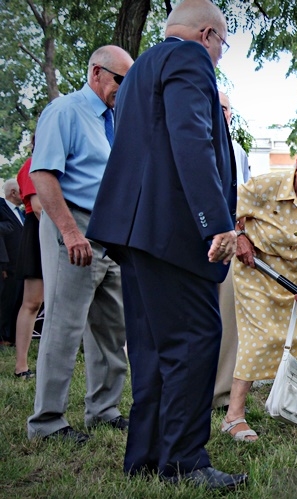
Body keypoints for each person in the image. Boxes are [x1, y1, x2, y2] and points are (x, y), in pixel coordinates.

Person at [86, 1, 246, 489]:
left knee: (154, 349)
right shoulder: (190, 59)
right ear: (207, 34)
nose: (220, 56)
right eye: (223, 44)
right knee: (196, 341)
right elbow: (190, 138)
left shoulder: (137, 72)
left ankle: (147, 457)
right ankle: (185, 462)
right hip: (173, 231)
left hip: (136, 233)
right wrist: (215, 222)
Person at [27, 45, 133, 445]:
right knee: (63, 326)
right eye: (121, 81)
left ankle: (103, 411)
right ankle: (47, 422)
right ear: (96, 74)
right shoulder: (65, 111)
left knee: (111, 328)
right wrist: (70, 232)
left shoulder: (118, 119)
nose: (124, 89)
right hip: (74, 226)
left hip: (112, 235)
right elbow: (44, 175)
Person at [222, 132, 297, 442]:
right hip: (256, 271)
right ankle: (234, 416)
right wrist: (241, 237)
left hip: (294, 278)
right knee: (259, 338)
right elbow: (230, 211)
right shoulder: (266, 186)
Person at [212, 91, 251, 411]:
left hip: (227, 242)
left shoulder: (237, 151)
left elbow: (244, 200)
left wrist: (242, 236)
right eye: (222, 109)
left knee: (228, 318)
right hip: (191, 242)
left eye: (230, 112)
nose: (226, 116)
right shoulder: (187, 139)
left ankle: (222, 393)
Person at [14, 136, 44, 379]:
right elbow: (38, 207)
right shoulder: (32, 164)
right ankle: (21, 366)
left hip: (54, 232)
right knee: (32, 302)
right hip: (38, 233)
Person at [0, 179, 25, 348]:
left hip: (22, 265)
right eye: (22, 190)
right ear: (13, 193)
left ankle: (13, 337)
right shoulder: (1, 207)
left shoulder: (22, 213)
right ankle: (2, 337)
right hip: (7, 265)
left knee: (18, 301)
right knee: (4, 303)